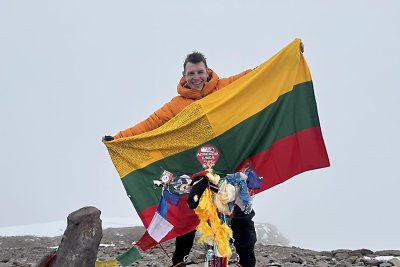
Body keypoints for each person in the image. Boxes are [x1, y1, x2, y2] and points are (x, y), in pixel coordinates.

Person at [104, 44, 304, 267]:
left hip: (232, 166)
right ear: (184, 76)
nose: (196, 77)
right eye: (191, 73)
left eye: (200, 72)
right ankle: (179, 261)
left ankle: (247, 262)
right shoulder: (176, 105)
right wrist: (119, 138)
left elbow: (256, 76)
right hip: (198, 167)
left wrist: (288, 57)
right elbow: (151, 124)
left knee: (242, 214)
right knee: (188, 212)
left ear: (207, 72)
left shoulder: (225, 87)